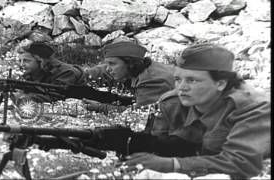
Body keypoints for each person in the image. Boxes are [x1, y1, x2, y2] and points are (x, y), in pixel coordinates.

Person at [110, 43, 270, 179]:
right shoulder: (172, 102)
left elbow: (241, 164)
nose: (181, 88)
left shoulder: (254, 108)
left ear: (220, 83)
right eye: (178, 79)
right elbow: (158, 145)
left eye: (192, 80)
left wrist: (173, 165)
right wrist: (115, 141)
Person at [82, 41, 175, 117]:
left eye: (112, 64)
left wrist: (100, 107)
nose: (107, 69)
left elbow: (140, 114)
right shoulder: (145, 67)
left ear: (130, 63)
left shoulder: (152, 81)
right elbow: (101, 71)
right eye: (107, 64)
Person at [17, 41, 87, 103]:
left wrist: (23, 97)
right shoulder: (34, 71)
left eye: (26, 61)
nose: (21, 65)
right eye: (20, 61)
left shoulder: (66, 72)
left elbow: (54, 96)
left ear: (40, 60)